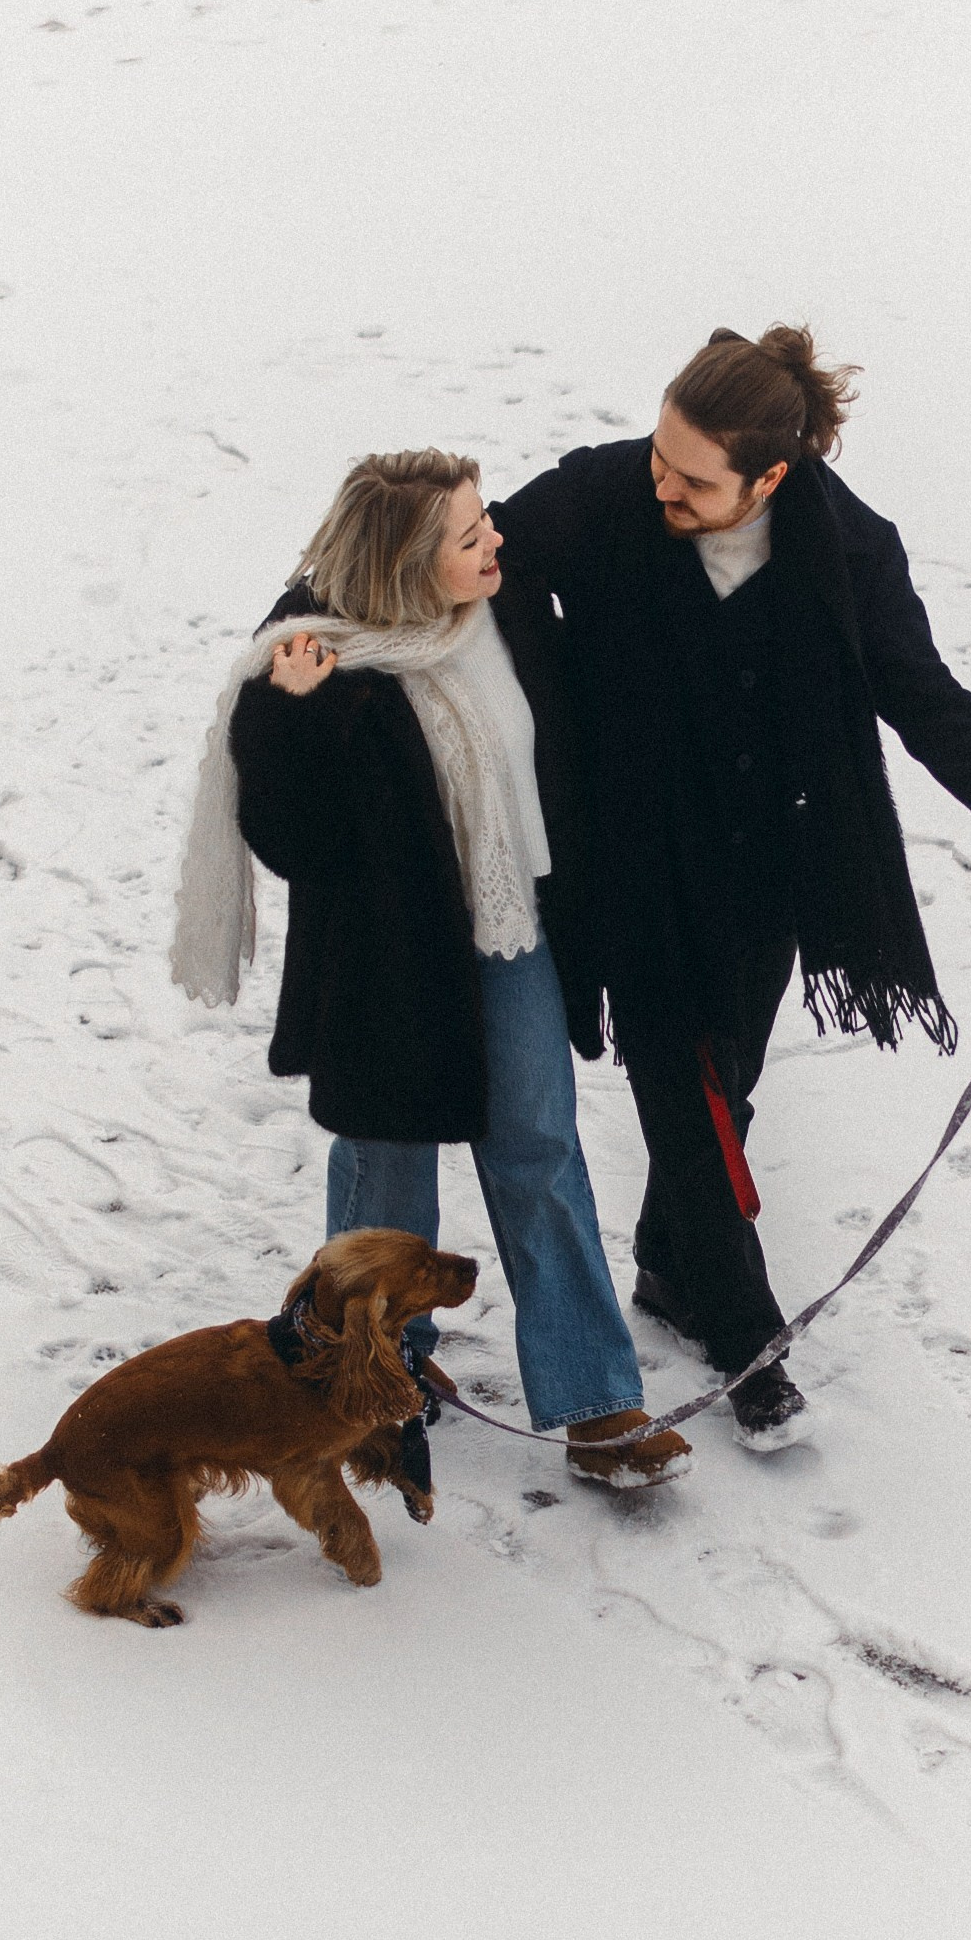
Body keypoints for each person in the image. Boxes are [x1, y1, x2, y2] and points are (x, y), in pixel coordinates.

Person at [490, 327, 971, 1451]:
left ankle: (674, 1267)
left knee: (728, 1077)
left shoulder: (849, 549)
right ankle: (747, 1337)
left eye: (692, 476)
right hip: (627, 848)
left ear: (771, 476)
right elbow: (472, 557)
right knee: (684, 1086)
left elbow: (917, 691)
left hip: (770, 855)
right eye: (661, 456)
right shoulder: (599, 493)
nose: (660, 482)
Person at [171, 449, 689, 1490]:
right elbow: (292, 841)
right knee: (386, 1175)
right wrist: (295, 720)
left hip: (512, 928)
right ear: (409, 563)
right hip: (384, 966)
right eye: (467, 536)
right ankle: (364, 1378)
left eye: (486, 519)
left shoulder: (504, 611)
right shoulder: (325, 662)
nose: (494, 540)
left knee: (538, 1143)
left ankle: (596, 1402)